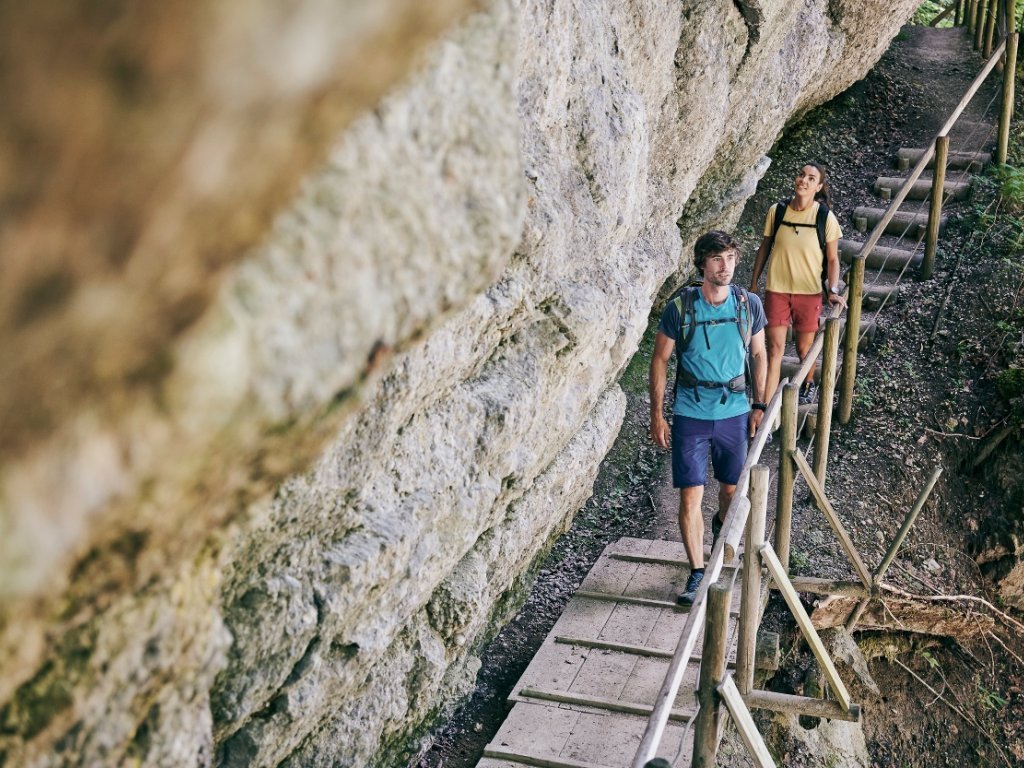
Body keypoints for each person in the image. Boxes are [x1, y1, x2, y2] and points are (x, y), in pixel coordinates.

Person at [649, 231, 767, 606]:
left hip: (733, 411)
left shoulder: (748, 305)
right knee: (689, 496)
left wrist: (759, 405)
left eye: (731, 257)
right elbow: (660, 360)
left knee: (731, 492)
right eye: (718, 259)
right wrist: (657, 413)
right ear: (703, 264)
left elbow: (760, 355)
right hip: (690, 412)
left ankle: (720, 524)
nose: (726, 266)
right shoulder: (680, 308)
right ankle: (697, 571)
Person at [748, 162, 846, 407]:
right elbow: (765, 247)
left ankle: (808, 382)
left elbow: (833, 259)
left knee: (804, 350)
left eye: (811, 178)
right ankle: (765, 409)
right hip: (777, 291)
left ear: (819, 186)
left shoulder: (825, 217)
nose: (803, 180)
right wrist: (754, 282)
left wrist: (832, 291)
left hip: (809, 293)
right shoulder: (777, 211)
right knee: (775, 350)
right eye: (801, 174)